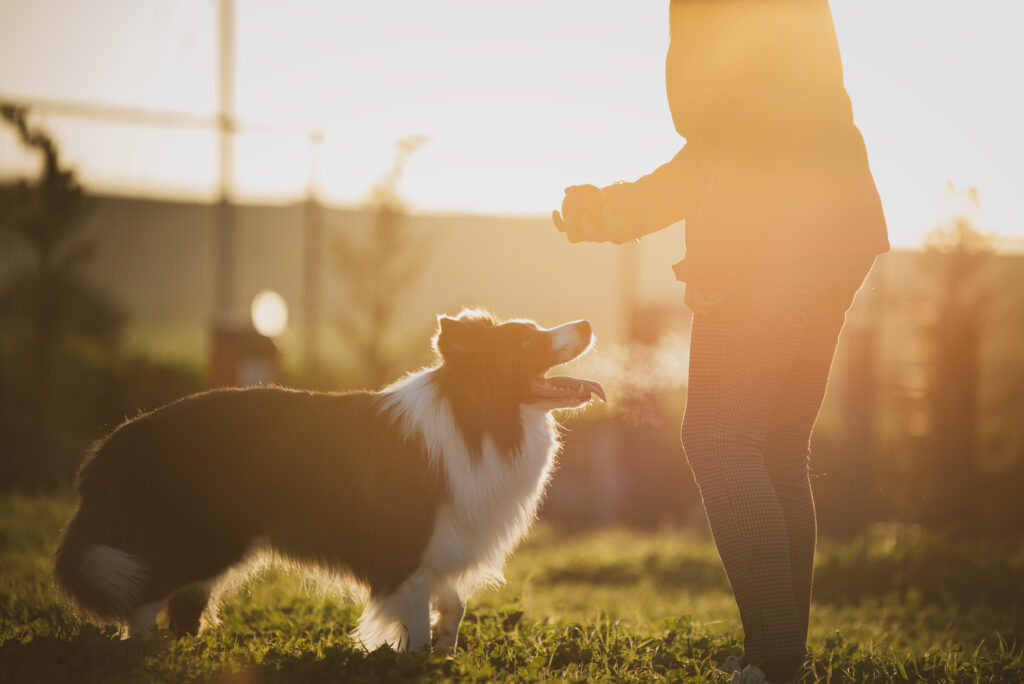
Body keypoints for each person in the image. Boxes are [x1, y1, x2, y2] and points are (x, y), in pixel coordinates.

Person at [553, 1, 889, 682]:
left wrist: (722, 257)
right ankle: (783, 657)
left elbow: (752, 136)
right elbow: (719, 147)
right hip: (839, 233)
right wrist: (612, 212)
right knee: (774, 451)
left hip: (773, 242)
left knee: (717, 438)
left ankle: (774, 661)